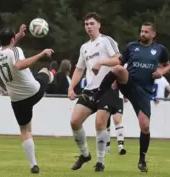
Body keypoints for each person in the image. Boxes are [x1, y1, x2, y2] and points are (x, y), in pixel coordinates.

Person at [90, 22, 170, 172]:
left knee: (145, 125)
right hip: (129, 83)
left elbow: (167, 65)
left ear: (153, 34)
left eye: (146, 32)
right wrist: (108, 71)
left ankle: (142, 160)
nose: (142, 34)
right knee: (119, 68)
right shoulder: (132, 46)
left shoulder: (160, 50)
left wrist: (162, 72)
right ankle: (98, 95)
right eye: (141, 31)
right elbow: (119, 62)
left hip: (144, 91)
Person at [0, 25, 55, 174]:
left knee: (25, 130)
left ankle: (33, 164)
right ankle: (52, 73)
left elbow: (8, 50)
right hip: (34, 92)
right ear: (12, 40)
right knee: (44, 71)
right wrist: (42, 54)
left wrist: (18, 36)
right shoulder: (16, 51)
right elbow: (19, 64)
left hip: (17, 99)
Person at [68, 12, 123, 172]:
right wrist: (71, 87)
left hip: (107, 88)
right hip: (90, 90)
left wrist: (101, 62)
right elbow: (79, 69)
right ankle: (85, 155)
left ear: (99, 25)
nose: (89, 26)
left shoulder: (106, 41)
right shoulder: (84, 47)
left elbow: (119, 59)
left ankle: (100, 162)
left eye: (92, 23)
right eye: (86, 24)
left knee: (100, 123)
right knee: (75, 122)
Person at [105, 84, 126, 155]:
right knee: (105, 121)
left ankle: (121, 146)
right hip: (105, 95)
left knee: (117, 119)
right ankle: (106, 147)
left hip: (118, 96)